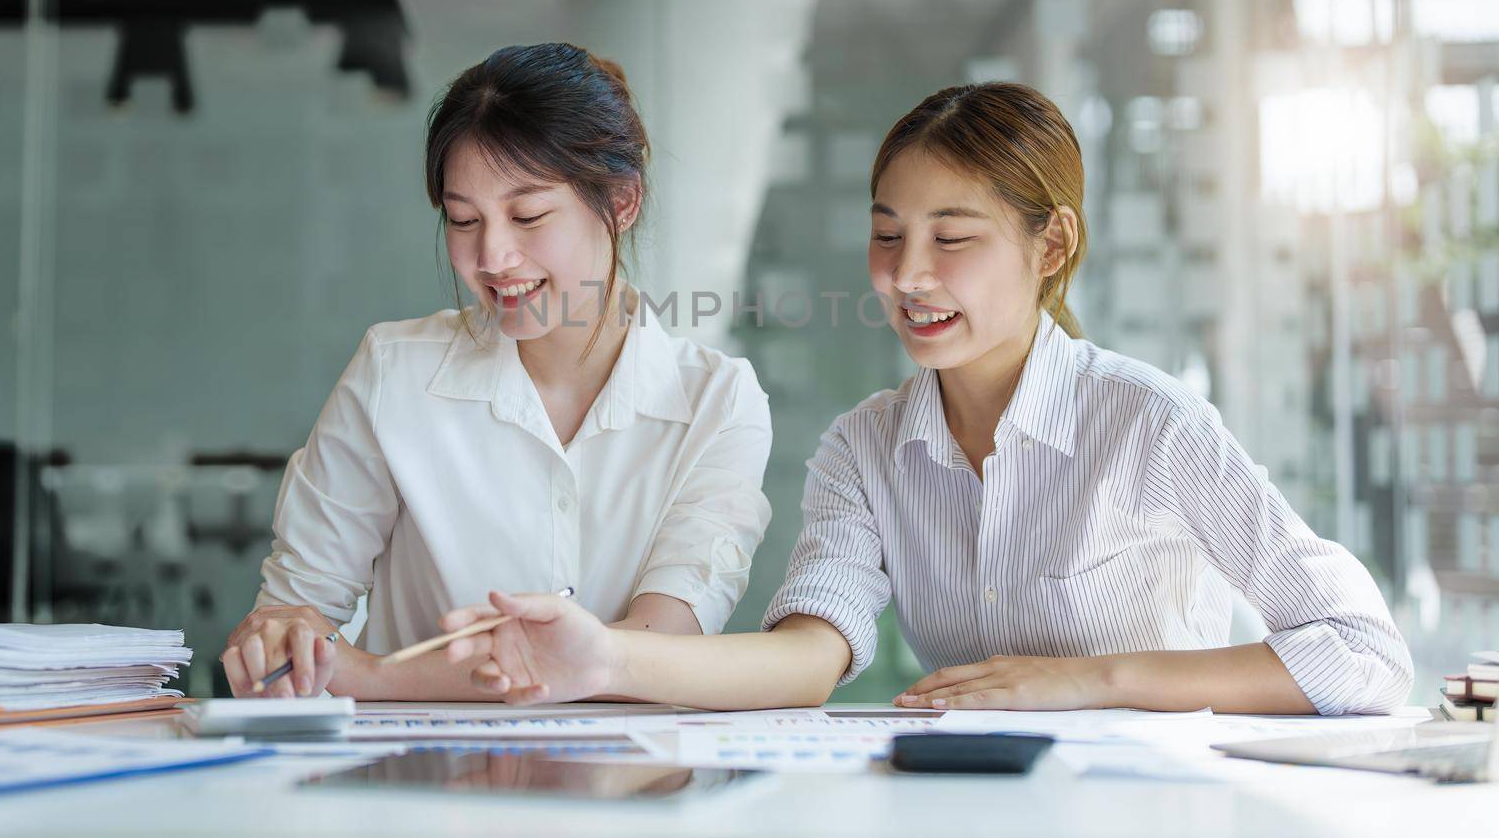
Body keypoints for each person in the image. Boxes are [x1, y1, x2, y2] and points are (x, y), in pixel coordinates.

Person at [437, 81, 1413, 716]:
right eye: (886, 234)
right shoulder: (866, 446)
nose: (907, 275)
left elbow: (1363, 650)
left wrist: (1089, 680)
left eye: (953, 238)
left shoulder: (1148, 423)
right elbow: (810, 653)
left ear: (1052, 245)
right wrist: (602, 655)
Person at [221, 43, 772, 699]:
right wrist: (280, 640)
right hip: (421, 782)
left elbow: (659, 647)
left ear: (622, 202)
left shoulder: (718, 401)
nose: (493, 256)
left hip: (632, 784)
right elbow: (294, 605)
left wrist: (370, 675)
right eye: (462, 220)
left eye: (528, 215)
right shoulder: (394, 373)